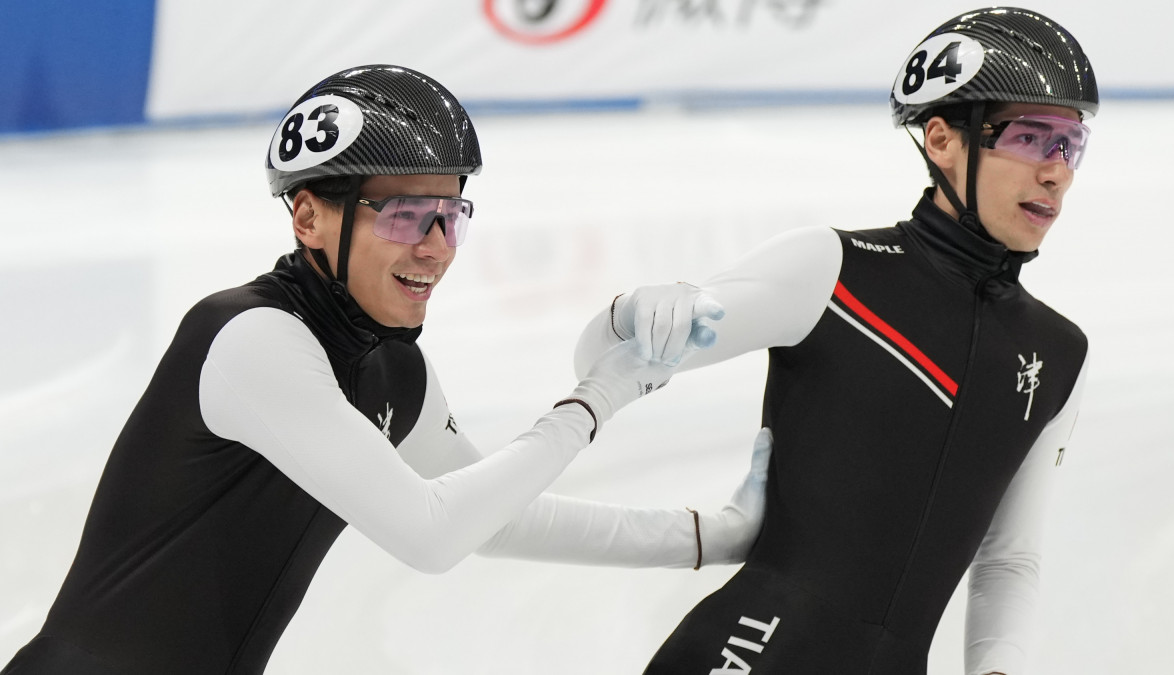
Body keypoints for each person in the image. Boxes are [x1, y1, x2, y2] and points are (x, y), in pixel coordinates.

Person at [1, 65, 771, 675]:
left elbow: (490, 518)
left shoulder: (393, 371)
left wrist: (707, 535)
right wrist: (596, 398)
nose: (434, 247)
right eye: (404, 215)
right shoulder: (249, 338)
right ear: (309, 218)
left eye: (451, 216)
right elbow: (429, 534)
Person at [573, 7, 1096, 674]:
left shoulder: (1057, 352)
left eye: (1070, 146)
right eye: (1030, 138)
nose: (1056, 172)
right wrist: (629, 313)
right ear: (941, 140)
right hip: (744, 655)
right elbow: (600, 364)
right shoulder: (832, 271)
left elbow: (1009, 555)